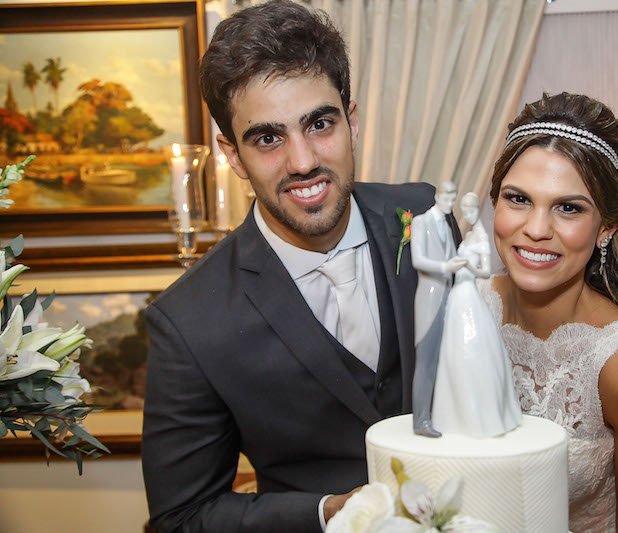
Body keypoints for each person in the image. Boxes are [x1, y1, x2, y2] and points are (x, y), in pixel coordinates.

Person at [141, 2, 456, 531]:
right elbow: (181, 516)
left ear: (351, 120)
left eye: (320, 123)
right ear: (233, 154)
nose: (304, 160)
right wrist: (326, 512)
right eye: (268, 138)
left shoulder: (425, 216)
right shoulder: (188, 322)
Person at [480, 92, 618, 532]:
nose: (536, 229)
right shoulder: (465, 308)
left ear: (606, 227)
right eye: (518, 199)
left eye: (568, 208)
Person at [430, 192, 521, 438]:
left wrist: (465, 265)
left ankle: (479, 415)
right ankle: (454, 414)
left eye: (471, 210)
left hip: (470, 291)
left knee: (471, 347)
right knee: (453, 350)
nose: (468, 214)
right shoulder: (468, 235)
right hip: (458, 293)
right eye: (466, 210)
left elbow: (484, 271)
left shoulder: (480, 237)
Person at [409, 181, 464, 437]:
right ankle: (421, 421)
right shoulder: (422, 222)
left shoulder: (446, 224)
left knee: (445, 359)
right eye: (446, 194)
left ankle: (439, 415)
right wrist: (446, 267)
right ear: (437, 195)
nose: (450, 199)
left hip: (448, 295)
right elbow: (418, 260)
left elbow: (454, 255)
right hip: (429, 297)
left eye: (454, 195)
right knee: (426, 361)